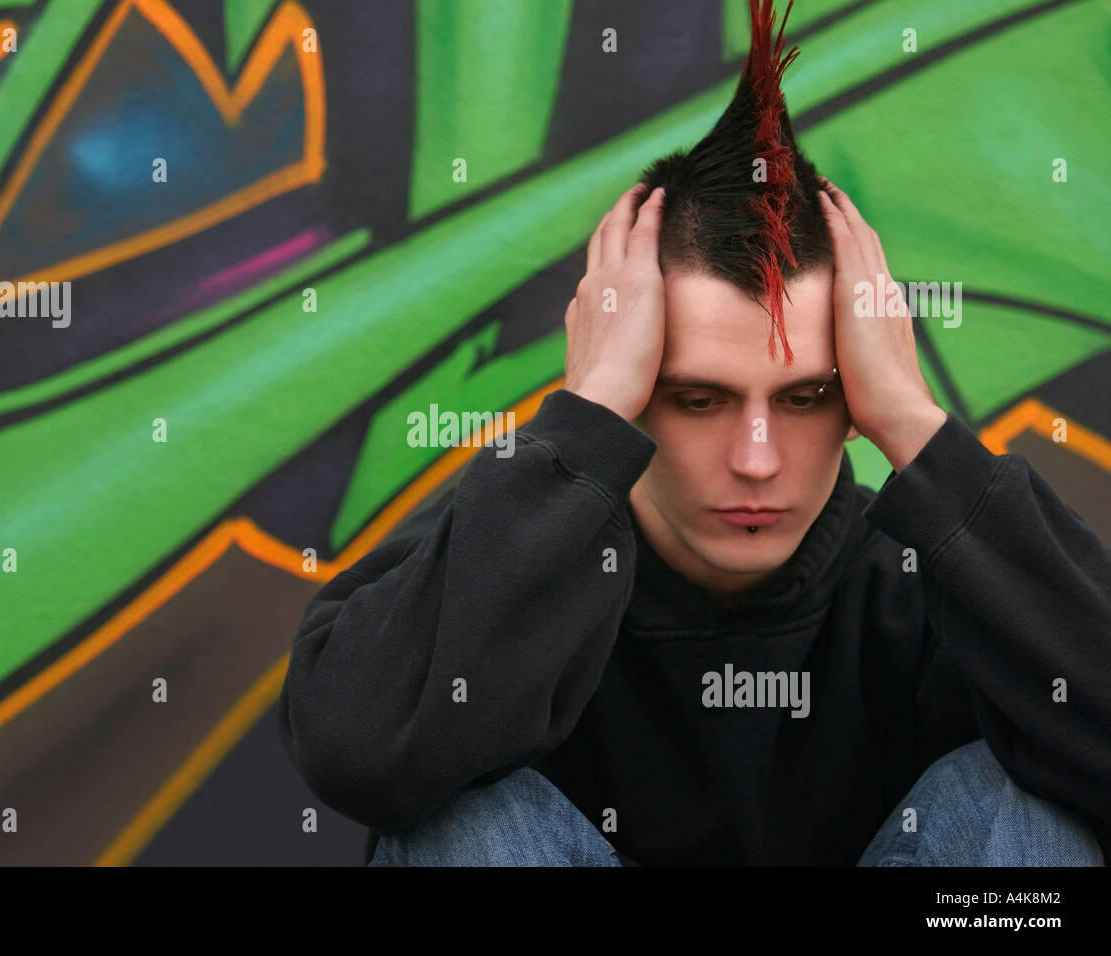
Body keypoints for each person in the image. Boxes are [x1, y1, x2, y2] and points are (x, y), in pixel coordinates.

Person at [277, 0, 1111, 866]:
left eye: (806, 398)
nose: (757, 461)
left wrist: (915, 425)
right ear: (635, 389)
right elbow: (356, 757)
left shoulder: (925, 581)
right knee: (463, 828)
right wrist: (586, 410)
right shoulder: (510, 548)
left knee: (1025, 813)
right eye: (698, 400)